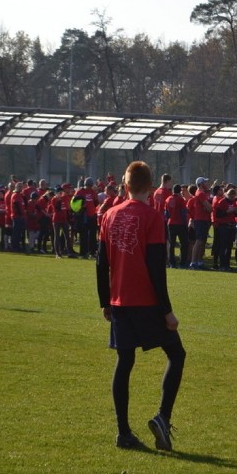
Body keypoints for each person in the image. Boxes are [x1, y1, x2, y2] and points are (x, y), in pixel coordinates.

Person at [96, 160, 186, 451]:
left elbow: (101, 263)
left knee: (124, 363)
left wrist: (104, 302)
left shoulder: (109, 215)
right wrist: (167, 310)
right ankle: (162, 417)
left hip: (120, 300)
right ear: (150, 187)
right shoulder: (153, 217)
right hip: (146, 301)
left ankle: (123, 432)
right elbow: (156, 267)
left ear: (125, 186)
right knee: (176, 353)